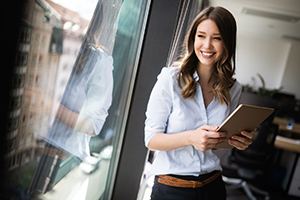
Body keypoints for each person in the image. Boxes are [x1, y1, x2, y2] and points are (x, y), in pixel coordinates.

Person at [144, 6, 254, 200]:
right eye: (201, 36)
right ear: (193, 38)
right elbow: (151, 140)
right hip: (171, 188)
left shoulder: (233, 88)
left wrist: (238, 142)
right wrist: (190, 138)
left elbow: (221, 139)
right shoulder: (170, 80)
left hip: (213, 187)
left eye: (217, 38)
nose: (207, 45)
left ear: (228, 42)